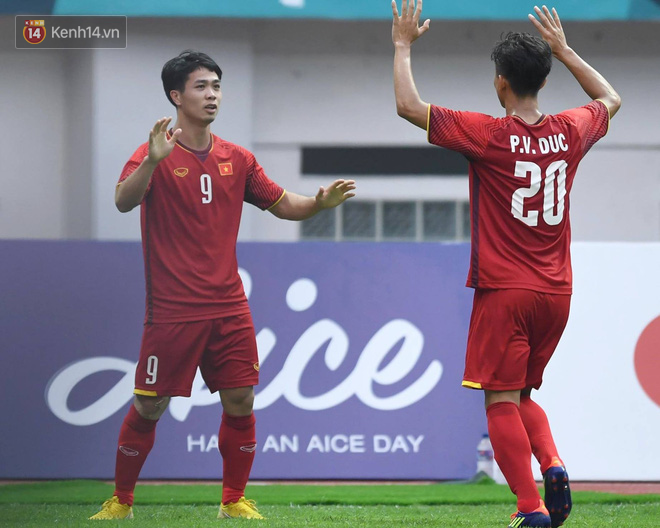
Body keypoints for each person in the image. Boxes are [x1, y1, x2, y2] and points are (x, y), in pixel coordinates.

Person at [89, 50, 355, 521]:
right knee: (149, 406)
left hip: (229, 305)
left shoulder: (238, 157)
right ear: (176, 96)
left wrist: (318, 203)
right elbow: (122, 202)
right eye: (200, 87)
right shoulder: (154, 152)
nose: (211, 94)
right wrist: (152, 163)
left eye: (216, 86)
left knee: (241, 399)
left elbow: (282, 204)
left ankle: (233, 500)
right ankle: (121, 502)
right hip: (171, 310)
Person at [392, 2, 620, 527]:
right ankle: (553, 463)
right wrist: (565, 51)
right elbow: (610, 97)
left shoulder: (489, 134)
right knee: (520, 394)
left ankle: (529, 507)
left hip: (504, 291)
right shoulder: (569, 130)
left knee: (498, 401)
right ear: (543, 78)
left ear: (500, 83)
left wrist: (403, 44)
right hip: (557, 292)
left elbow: (408, 106)